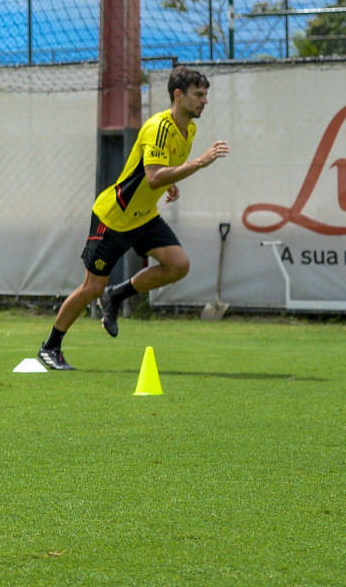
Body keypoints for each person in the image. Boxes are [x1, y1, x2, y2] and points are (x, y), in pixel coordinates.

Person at [36, 66, 230, 370]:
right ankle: (51, 346)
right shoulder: (159, 127)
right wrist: (199, 163)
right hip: (114, 217)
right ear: (178, 96)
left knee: (178, 265)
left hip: (144, 217)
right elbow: (153, 177)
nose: (204, 101)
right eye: (198, 95)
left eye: (205, 95)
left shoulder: (188, 129)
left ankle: (116, 295)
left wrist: (172, 182)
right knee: (91, 288)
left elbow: (158, 169)